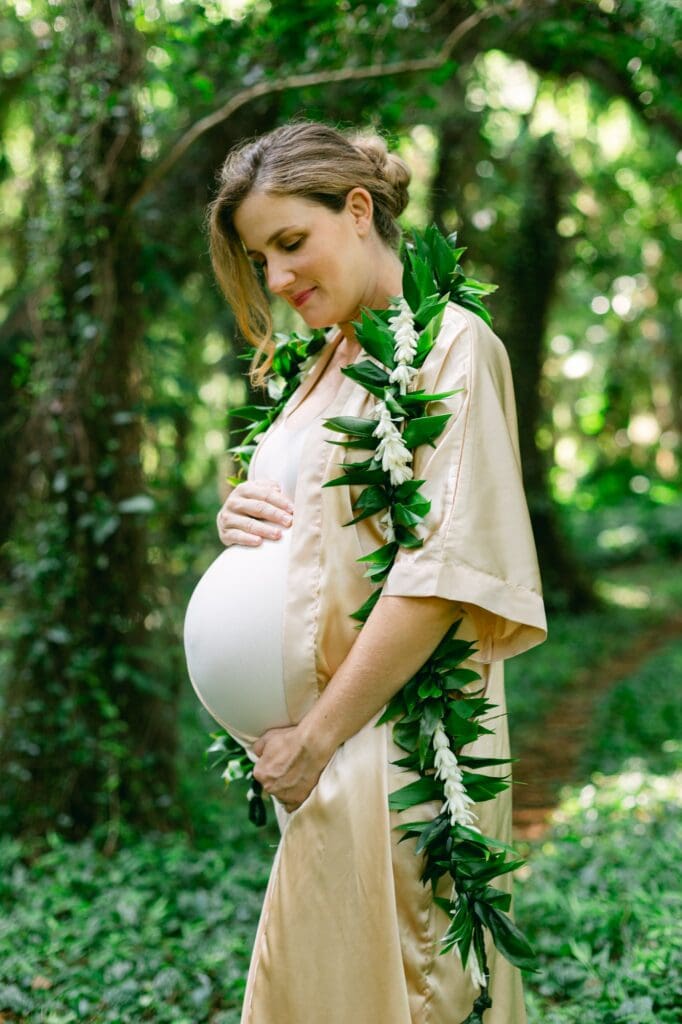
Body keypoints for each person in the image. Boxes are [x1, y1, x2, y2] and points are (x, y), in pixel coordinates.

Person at [201, 121, 547, 1024]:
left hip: (394, 746)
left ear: (358, 210)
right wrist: (235, 513)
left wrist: (317, 738)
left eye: (290, 243)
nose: (276, 279)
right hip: (317, 752)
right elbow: (314, 532)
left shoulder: (451, 348)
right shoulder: (316, 365)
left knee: (408, 988)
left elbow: (441, 574)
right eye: (259, 257)